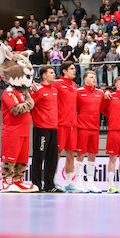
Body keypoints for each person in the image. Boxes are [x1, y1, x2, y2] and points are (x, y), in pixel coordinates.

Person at [30, 66, 63, 192]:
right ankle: (37, 185)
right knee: (39, 157)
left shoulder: (54, 90)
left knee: (52, 158)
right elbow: (30, 105)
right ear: (44, 75)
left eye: (54, 72)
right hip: (41, 128)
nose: (54, 74)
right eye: (51, 72)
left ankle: (49, 185)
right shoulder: (38, 90)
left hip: (54, 128)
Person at [75, 71, 104, 193]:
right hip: (82, 128)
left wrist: (107, 92)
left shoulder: (100, 93)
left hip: (95, 128)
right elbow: (73, 109)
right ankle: (78, 182)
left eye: (95, 77)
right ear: (85, 79)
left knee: (92, 155)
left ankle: (91, 183)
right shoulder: (78, 92)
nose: (94, 79)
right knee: (80, 155)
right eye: (91, 77)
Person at [53, 61, 79, 192]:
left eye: (74, 69)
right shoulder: (56, 84)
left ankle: (69, 183)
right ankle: (53, 181)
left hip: (72, 125)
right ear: (64, 71)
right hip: (60, 124)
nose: (74, 71)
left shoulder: (74, 85)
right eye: (72, 69)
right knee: (56, 154)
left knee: (71, 154)